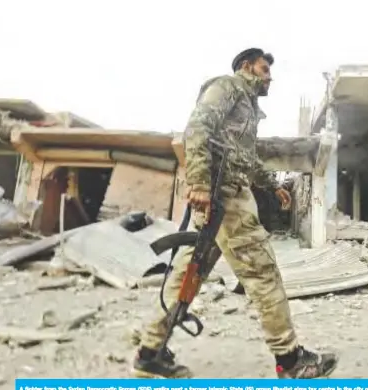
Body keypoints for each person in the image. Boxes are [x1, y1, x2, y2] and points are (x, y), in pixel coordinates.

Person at [132, 48, 339, 379]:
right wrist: (198, 182)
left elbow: (246, 158)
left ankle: (149, 352)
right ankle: (290, 361)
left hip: (224, 198)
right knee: (262, 273)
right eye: (264, 68)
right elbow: (197, 128)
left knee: (187, 276)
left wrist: (271, 185)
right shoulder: (227, 87)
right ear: (247, 67)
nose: (270, 76)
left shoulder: (248, 107)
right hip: (224, 199)